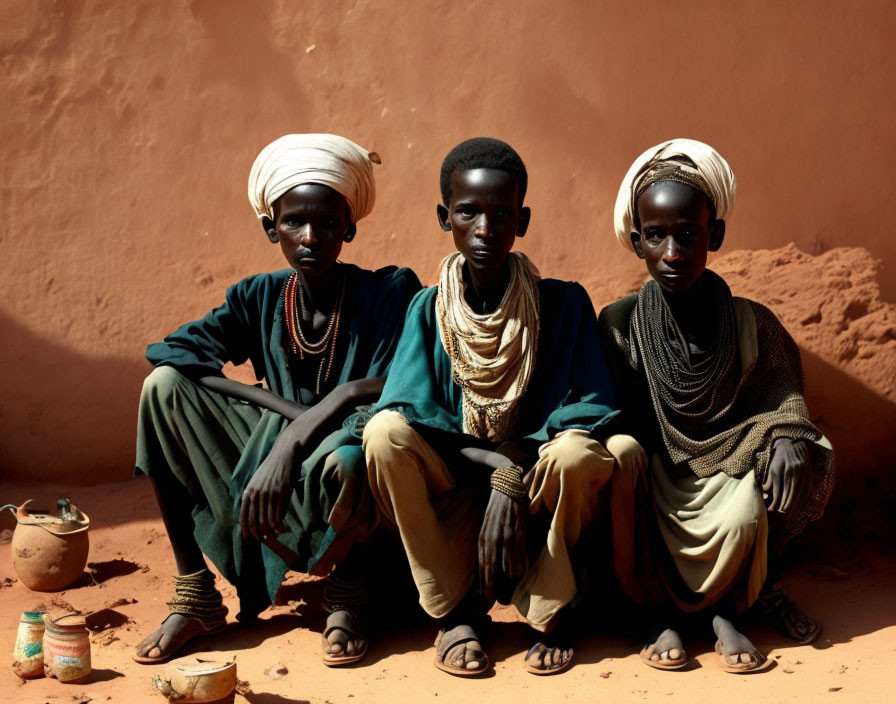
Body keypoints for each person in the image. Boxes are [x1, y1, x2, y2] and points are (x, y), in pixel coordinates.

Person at [133, 134, 421, 666]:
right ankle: (195, 592)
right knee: (163, 389)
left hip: (348, 441)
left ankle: (348, 591)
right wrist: (270, 407)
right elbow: (171, 352)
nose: (311, 237)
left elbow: (398, 384)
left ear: (349, 228)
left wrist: (302, 430)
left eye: (328, 223)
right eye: (294, 222)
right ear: (272, 229)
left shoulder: (388, 292)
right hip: (276, 440)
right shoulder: (258, 296)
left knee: (356, 454)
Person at [362, 137, 627, 676]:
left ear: (521, 220)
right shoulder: (426, 309)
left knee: (580, 455)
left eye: (501, 214)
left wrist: (513, 464)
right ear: (445, 218)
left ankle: (552, 609)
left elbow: (592, 406)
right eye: (468, 212)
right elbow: (411, 412)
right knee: (383, 435)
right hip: (458, 486)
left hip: (536, 493)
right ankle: (456, 612)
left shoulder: (563, 303)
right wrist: (495, 468)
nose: (485, 229)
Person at [599, 138, 834, 673]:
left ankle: (734, 608)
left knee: (799, 454)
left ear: (716, 235)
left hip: (729, 470)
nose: (673, 252)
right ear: (637, 242)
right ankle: (658, 613)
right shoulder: (619, 325)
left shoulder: (751, 321)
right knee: (617, 464)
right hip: (655, 474)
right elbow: (609, 416)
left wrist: (784, 436)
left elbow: (784, 396)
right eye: (656, 236)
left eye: (689, 234)